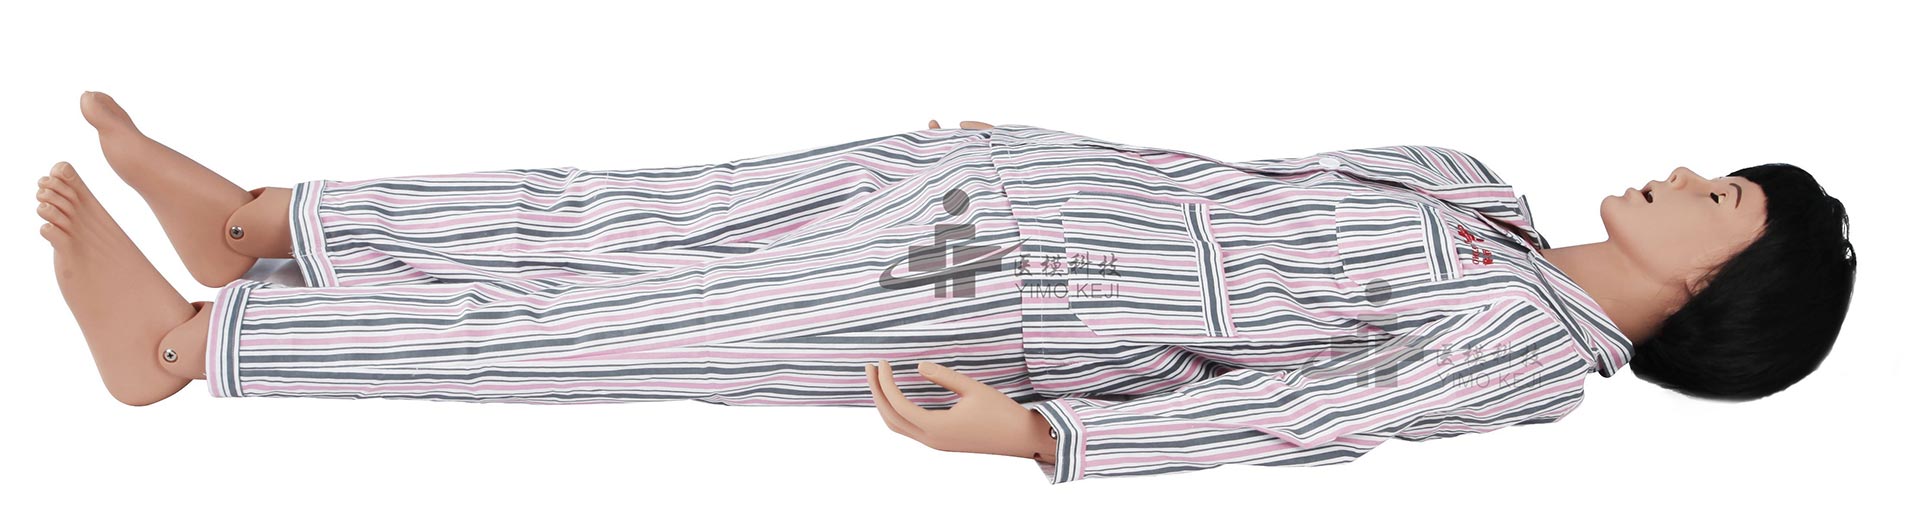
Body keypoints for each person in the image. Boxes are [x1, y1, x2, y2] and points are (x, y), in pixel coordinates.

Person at [39, 92, 1855, 485]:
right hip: (984, 194)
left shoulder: (1523, 355)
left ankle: (190, 346)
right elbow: (1214, 180)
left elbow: (1292, 415)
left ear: (1720, 289)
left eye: (1719, 200)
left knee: (629, 327)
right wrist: (1008, 149)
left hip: (1008, 317)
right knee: (630, 214)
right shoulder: (1469, 188)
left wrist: (1045, 438)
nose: (1682, 174)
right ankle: (274, 224)